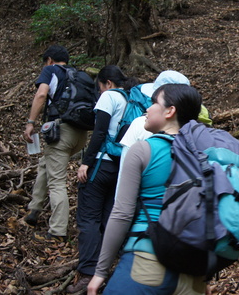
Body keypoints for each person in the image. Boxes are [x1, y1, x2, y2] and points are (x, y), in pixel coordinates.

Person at [87, 84, 207, 295]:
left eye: (153, 103)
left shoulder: (143, 149)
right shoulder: (203, 154)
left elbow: (122, 213)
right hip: (192, 269)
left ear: (170, 111)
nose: (147, 109)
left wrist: (100, 272)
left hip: (147, 261)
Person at [67, 65, 139, 294]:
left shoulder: (109, 97)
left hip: (101, 162)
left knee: (88, 219)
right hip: (121, 164)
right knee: (109, 216)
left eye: (99, 86)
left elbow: (99, 132)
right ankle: (112, 268)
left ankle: (88, 272)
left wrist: (86, 162)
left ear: (107, 83)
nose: (99, 91)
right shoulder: (131, 99)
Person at [23, 45, 88, 242]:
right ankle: (34, 210)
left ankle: (57, 231)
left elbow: (41, 95)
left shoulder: (51, 70)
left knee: (57, 181)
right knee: (46, 163)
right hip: (81, 133)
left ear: (50, 60)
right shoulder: (80, 76)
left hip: (61, 132)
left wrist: (30, 123)